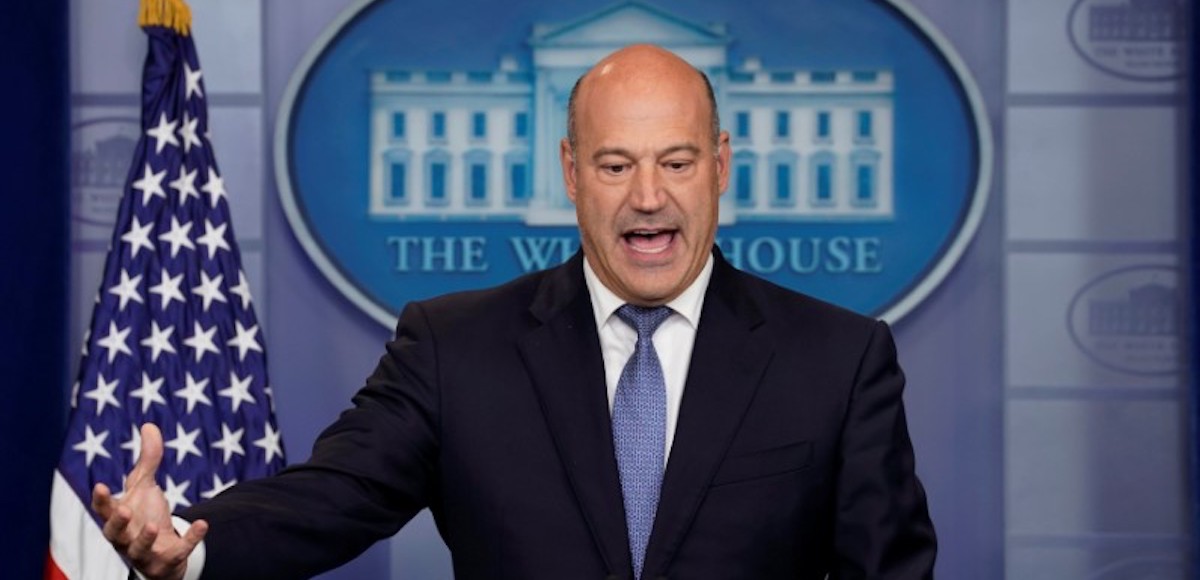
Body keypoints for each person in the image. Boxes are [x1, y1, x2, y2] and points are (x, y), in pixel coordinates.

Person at [93, 43, 936, 579]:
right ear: (571, 173)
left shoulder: (838, 359)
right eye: (615, 166)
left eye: (676, 162)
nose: (650, 197)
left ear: (720, 166)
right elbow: (329, 497)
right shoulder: (453, 347)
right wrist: (193, 541)